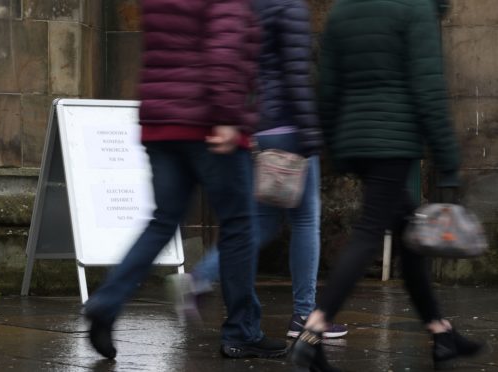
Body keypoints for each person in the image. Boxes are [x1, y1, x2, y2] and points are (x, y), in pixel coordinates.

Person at [83, 0, 287, 360]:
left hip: (161, 122)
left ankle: (107, 301)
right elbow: (225, 47)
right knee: (239, 225)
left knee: (162, 221)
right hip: (208, 122)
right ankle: (242, 331)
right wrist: (227, 115)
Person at [290, 0, 484, 371]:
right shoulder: (413, 9)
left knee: (410, 232)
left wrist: (336, 147)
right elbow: (429, 87)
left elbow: (327, 85)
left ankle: (441, 334)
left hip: (356, 137)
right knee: (368, 233)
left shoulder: (343, 11)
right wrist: (448, 161)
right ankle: (312, 333)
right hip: (392, 139)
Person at [169, 0, 347, 340]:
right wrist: (310, 129)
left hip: (260, 126)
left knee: (261, 223)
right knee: (306, 220)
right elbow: (297, 73)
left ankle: (198, 278)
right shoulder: (289, 6)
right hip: (289, 127)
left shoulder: (246, 6)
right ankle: (304, 316)